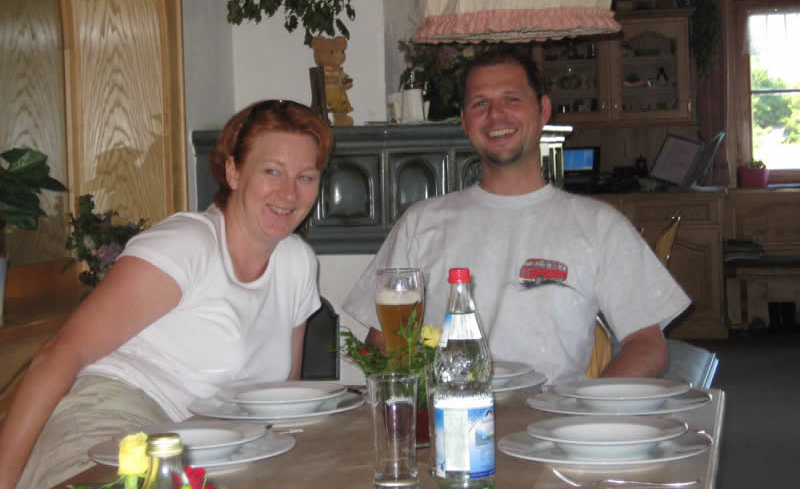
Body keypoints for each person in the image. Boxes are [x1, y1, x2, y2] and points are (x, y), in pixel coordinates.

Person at [0, 99, 333, 489]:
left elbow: (282, 401)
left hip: (205, 447)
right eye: (272, 171)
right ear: (233, 171)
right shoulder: (186, 245)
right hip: (109, 418)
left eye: (305, 177)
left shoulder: (297, 263)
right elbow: (59, 355)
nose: (289, 193)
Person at [343, 47, 691, 383]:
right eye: (480, 103)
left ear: (543, 110)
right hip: (449, 412)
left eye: (512, 99)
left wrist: (586, 407)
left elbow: (647, 347)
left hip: (555, 415)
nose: (496, 115)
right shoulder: (420, 223)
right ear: (464, 121)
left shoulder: (599, 225)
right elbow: (383, 342)